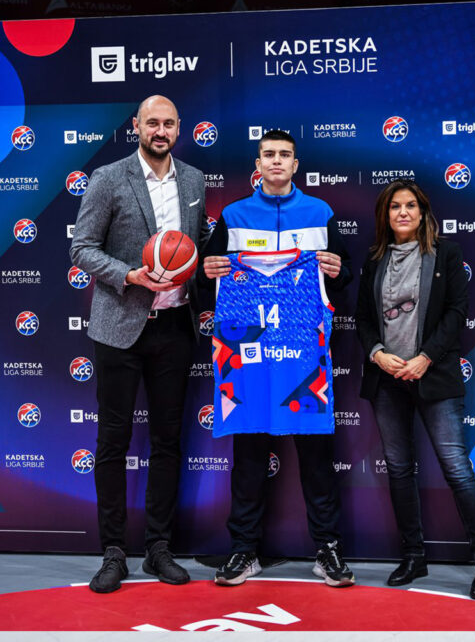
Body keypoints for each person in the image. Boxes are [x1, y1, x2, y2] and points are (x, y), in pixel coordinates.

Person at [70, 94, 211, 593]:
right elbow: (82, 248)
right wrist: (129, 274)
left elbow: (195, 247)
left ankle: (158, 548)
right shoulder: (109, 178)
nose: (160, 131)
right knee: (113, 442)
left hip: (174, 328)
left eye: (169, 123)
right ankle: (113, 551)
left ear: (179, 128)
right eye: (152, 123)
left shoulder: (194, 180)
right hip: (120, 329)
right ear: (137, 126)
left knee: (168, 441)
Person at [201, 129, 354, 587]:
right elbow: (207, 274)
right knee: (249, 455)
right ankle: (243, 550)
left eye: (284, 155)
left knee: (316, 456)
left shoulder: (320, 213)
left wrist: (338, 270)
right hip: (249, 357)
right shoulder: (233, 216)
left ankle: (327, 549)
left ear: (295, 164)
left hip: (302, 356)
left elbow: (344, 275)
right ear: (258, 163)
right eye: (268, 154)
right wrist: (207, 269)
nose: (276, 161)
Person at [353, 179, 475, 600]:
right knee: (399, 469)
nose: (403, 212)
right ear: (385, 215)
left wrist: (425, 357)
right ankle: (413, 557)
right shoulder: (375, 258)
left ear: (423, 212)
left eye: (410, 205)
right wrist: (377, 353)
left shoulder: (446, 253)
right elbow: (363, 318)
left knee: (456, 469)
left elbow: (457, 311)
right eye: (395, 206)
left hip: (433, 376)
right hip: (387, 379)